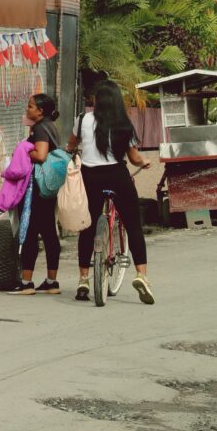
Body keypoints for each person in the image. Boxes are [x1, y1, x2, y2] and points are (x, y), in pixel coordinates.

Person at [66, 80, 153, 305]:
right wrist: (144, 162)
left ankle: (84, 279)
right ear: (116, 101)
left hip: (90, 178)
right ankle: (142, 275)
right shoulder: (124, 124)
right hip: (117, 176)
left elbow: (70, 145)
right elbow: (133, 158)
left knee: (88, 226)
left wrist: (73, 151)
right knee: (133, 225)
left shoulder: (82, 120)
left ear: (96, 101)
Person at [9, 93, 62, 295]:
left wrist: (23, 150)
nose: (27, 109)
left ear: (40, 111)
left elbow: (40, 155)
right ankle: (51, 281)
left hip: (36, 188)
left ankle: (26, 282)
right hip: (48, 187)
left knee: (30, 232)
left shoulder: (40, 128)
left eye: (30, 106)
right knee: (49, 232)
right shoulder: (51, 126)